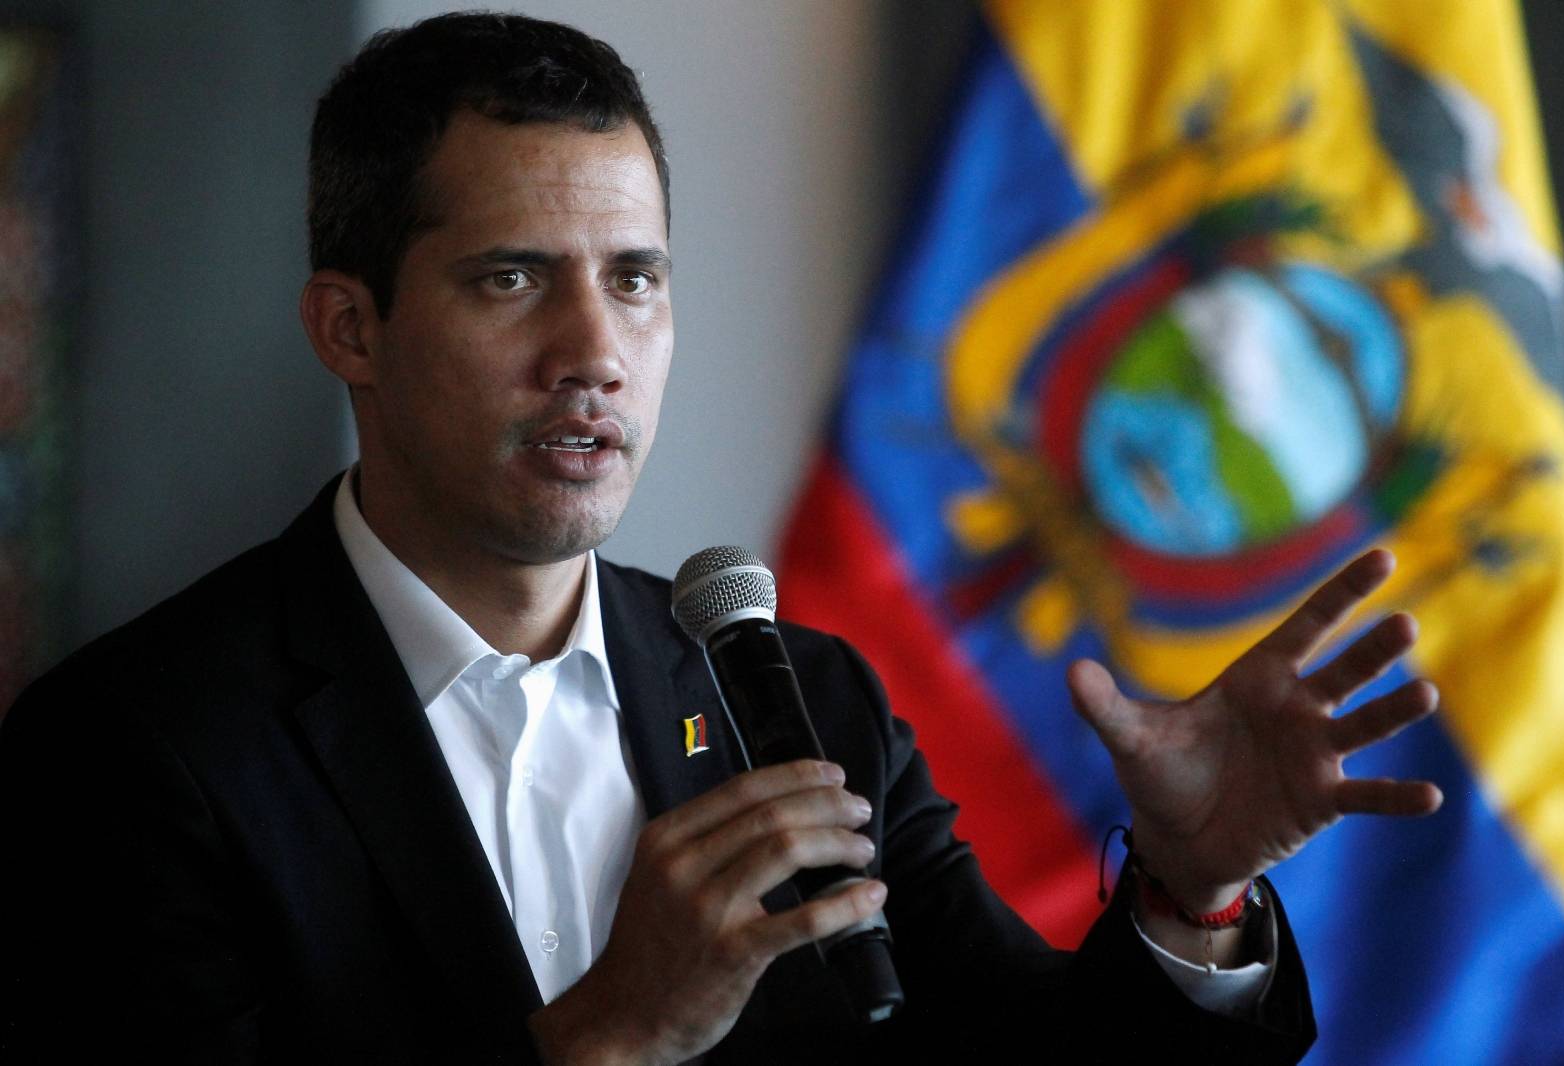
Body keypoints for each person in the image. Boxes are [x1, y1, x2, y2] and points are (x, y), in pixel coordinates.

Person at [0, 13, 1443, 1064]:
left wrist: (1189, 895)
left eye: (636, 279)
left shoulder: (803, 702)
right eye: (512, 278)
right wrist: (612, 1035)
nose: (595, 352)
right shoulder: (132, 751)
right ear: (350, 326)